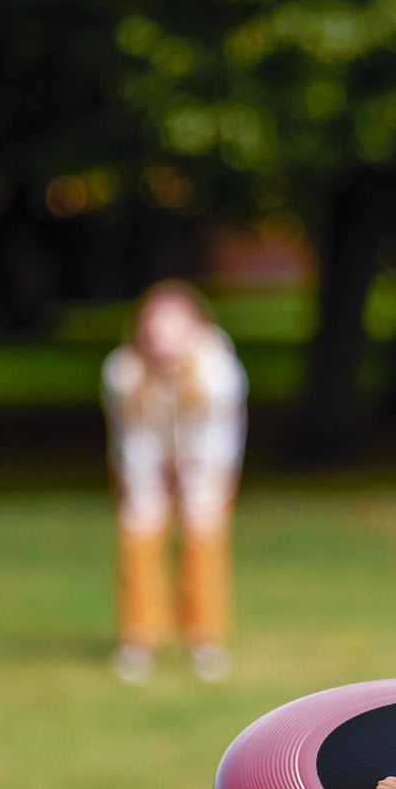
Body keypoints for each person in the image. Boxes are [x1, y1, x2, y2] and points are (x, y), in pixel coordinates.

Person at [101, 280, 247, 683]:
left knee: (203, 540)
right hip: (145, 463)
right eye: (154, 329)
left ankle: (205, 640)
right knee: (138, 536)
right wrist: (148, 487)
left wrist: (195, 481)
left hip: (205, 465)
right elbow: (132, 439)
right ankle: (138, 639)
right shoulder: (123, 372)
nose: (162, 340)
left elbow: (219, 439)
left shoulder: (219, 371)